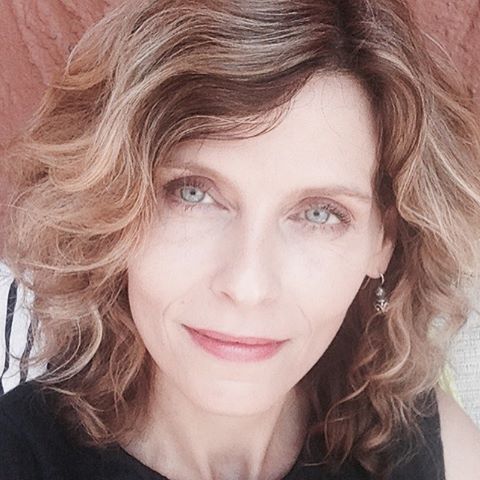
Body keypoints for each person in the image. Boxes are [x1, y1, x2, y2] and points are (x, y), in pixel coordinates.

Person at [1, 0, 480, 479]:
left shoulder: (426, 446)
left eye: (319, 213)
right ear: (108, 204)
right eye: (192, 193)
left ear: (383, 241)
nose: (247, 285)